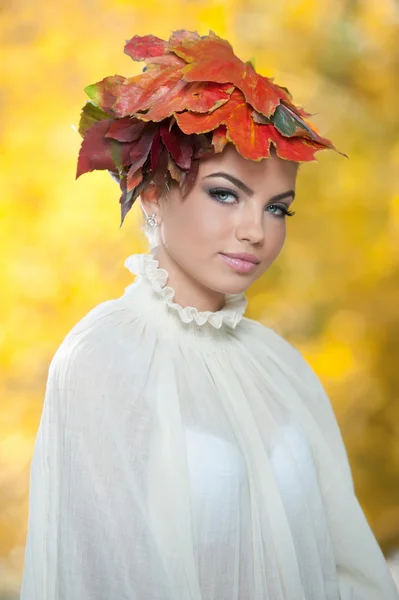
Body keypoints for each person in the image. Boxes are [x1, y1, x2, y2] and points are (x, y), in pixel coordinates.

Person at [20, 30, 398, 600]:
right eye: (226, 194)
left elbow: (348, 568)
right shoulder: (101, 357)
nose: (257, 231)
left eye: (277, 208)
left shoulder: (280, 365)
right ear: (151, 192)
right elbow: (99, 573)